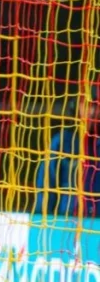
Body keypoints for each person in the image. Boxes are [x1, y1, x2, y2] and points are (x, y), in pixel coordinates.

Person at [35, 88, 100, 217]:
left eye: (95, 107)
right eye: (86, 105)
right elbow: (47, 184)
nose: (91, 112)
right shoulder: (62, 141)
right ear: (76, 107)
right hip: (68, 219)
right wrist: (41, 217)